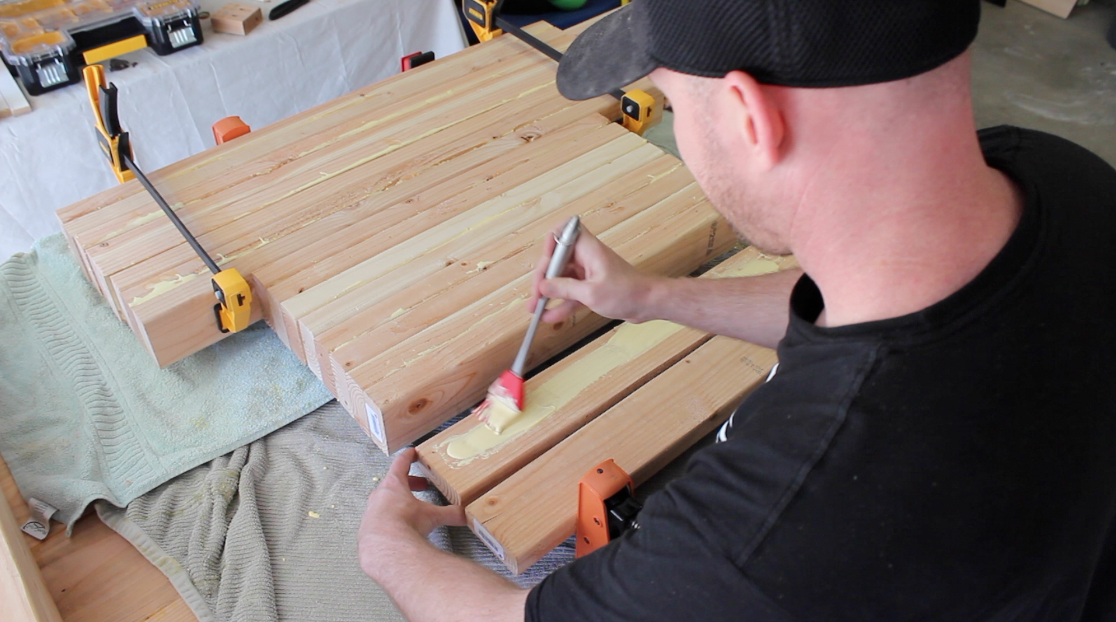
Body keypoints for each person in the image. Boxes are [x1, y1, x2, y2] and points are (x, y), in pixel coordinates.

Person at [358, 0, 1116, 620]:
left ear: (753, 119)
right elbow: (860, 308)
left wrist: (389, 550)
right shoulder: (1067, 178)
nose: (678, 132)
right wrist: (649, 298)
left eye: (674, 102)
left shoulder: (762, 531)